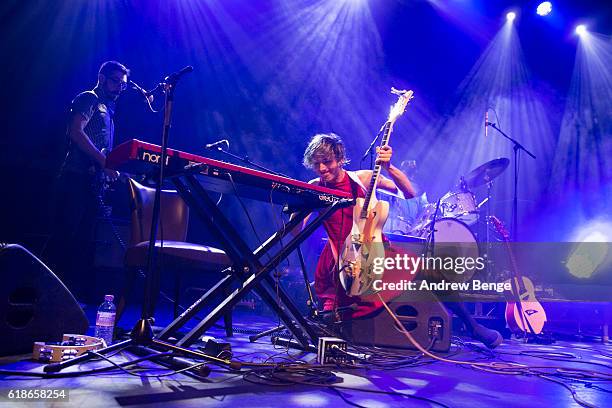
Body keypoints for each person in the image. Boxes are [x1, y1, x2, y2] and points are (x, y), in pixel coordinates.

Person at [301, 133, 502, 349]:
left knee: (430, 271)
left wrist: (389, 167)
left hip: (375, 251)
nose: (322, 169)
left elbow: (408, 193)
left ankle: (472, 326)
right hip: (339, 262)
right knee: (334, 323)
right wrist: (296, 210)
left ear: (340, 159)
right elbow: (298, 230)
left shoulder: (361, 178)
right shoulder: (314, 186)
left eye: (327, 162)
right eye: (317, 164)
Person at [44, 61, 128, 293]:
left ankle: (68, 296)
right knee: (63, 237)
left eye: (123, 84)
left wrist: (108, 170)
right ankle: (38, 292)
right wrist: (104, 163)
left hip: (91, 183)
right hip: (75, 178)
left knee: (83, 241)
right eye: (115, 81)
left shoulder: (109, 110)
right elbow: (76, 132)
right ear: (101, 78)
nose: (119, 87)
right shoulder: (89, 98)